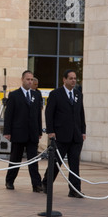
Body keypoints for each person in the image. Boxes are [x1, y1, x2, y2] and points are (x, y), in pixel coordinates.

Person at [42, 69, 86, 198]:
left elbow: (81, 114)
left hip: (76, 136)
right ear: (64, 79)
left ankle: (74, 190)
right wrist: (50, 131)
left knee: (74, 165)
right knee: (56, 162)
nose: (73, 81)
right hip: (60, 136)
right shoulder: (56, 94)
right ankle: (46, 183)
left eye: (75, 78)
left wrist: (83, 131)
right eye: (71, 78)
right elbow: (49, 114)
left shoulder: (78, 94)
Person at [3, 70, 43, 192]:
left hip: (32, 133)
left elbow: (38, 115)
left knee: (33, 160)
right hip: (18, 132)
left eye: (31, 80)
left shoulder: (36, 95)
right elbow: (8, 115)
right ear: (22, 79)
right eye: (28, 79)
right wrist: (7, 131)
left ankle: (36, 184)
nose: (30, 82)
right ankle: (9, 181)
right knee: (15, 159)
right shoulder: (14, 95)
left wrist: (39, 131)